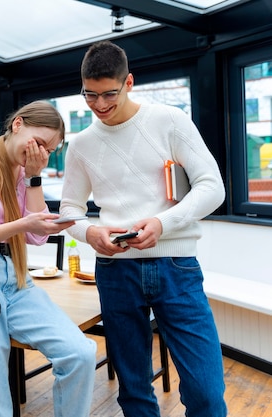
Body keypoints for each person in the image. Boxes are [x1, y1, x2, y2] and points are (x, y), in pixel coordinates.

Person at [59, 40, 227, 416]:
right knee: (133, 391)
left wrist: (162, 223)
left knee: (207, 394)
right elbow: (69, 209)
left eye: (109, 94)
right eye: (89, 95)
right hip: (115, 271)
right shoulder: (82, 145)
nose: (99, 105)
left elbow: (212, 188)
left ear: (129, 82)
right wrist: (90, 233)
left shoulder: (169, 120)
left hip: (177, 267)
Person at [0, 100, 97, 417]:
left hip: (17, 281)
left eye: (49, 150)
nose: (41, 153)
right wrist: (22, 224)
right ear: (18, 124)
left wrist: (33, 177)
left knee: (80, 353)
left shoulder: (23, 172)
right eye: (39, 143)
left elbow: (37, 236)